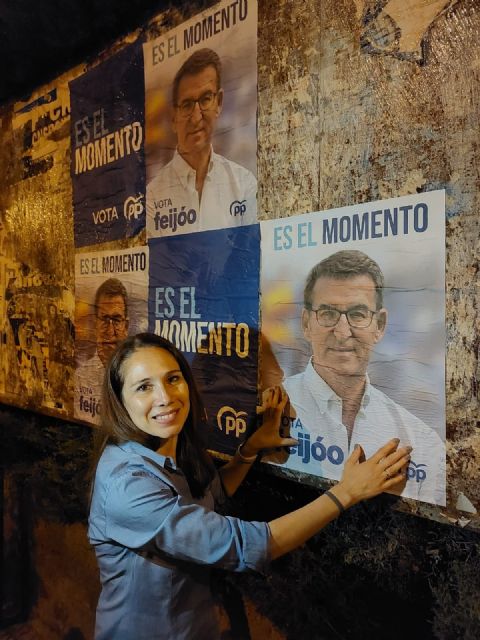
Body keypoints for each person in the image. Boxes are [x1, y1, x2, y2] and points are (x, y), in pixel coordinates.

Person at [89, 332, 411, 640]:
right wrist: (347, 492)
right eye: (144, 387)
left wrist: (250, 450)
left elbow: (209, 496)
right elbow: (244, 546)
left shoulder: (164, 449)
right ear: (120, 401)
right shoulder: (127, 487)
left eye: (173, 379)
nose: (165, 397)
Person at [282, 250, 445, 505]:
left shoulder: (421, 442)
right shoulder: (270, 411)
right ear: (306, 324)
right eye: (327, 313)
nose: (343, 331)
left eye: (358, 314)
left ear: (379, 325)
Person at [147, 48, 257, 237]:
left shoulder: (244, 185)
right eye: (187, 104)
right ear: (174, 117)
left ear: (219, 102)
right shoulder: (152, 196)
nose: (196, 117)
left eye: (206, 99)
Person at [75, 278, 129, 422]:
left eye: (117, 320)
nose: (110, 331)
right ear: (94, 325)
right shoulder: (81, 375)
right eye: (104, 319)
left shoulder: (138, 374)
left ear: (126, 327)